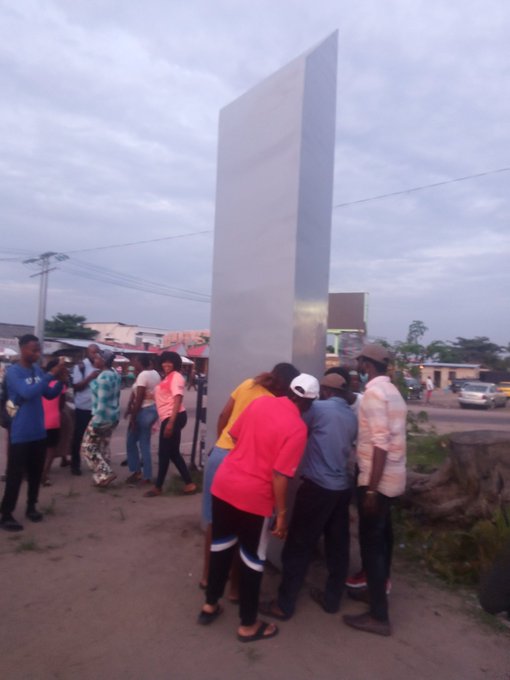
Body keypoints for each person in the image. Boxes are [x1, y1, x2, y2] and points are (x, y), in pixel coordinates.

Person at [198, 373, 319, 643]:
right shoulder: (297, 428)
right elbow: (280, 475)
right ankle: (248, 625)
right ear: (309, 403)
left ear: (290, 391)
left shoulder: (260, 403)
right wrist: (282, 516)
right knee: (252, 560)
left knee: (220, 547)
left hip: (225, 484)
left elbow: (233, 435)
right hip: (255, 498)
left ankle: (209, 605)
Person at [260, 372, 358, 621]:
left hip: (317, 488)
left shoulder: (319, 410)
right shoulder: (351, 415)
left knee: (298, 546)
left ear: (324, 391)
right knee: (338, 546)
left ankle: (284, 605)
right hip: (341, 489)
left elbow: (291, 424)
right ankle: (332, 600)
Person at [200, 363, 300, 592]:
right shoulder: (273, 402)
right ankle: (235, 588)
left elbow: (223, 415)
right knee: (242, 529)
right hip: (243, 465)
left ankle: (207, 578)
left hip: (219, 455)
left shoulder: (248, 384)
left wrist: (221, 443)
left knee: (215, 523)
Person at [343, 343, 407, 637]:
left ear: (367, 365)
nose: (357, 367)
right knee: (384, 539)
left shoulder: (373, 394)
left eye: (360, 363)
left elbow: (380, 443)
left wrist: (371, 490)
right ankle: (375, 593)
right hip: (393, 479)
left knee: (371, 545)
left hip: (376, 481)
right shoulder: (393, 392)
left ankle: (378, 616)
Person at [0, 334, 67, 532]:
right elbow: (27, 393)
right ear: (22, 349)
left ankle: (31, 506)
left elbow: (48, 394)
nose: (38, 354)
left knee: (35, 474)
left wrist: (60, 381)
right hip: (20, 431)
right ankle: (6, 514)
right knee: (15, 475)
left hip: (39, 431)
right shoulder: (13, 372)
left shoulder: (37, 370)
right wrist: (50, 374)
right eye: (34, 350)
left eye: (39, 350)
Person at [144, 351, 196, 497]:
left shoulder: (176, 376)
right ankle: (189, 483)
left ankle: (158, 487)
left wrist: (171, 423)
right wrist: (147, 394)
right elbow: (163, 397)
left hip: (174, 416)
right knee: (172, 453)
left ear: (175, 363)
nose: (166, 364)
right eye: (164, 361)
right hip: (170, 417)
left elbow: (178, 399)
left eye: (170, 362)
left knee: (164, 453)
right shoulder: (167, 378)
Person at [80, 349, 121, 487]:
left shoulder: (103, 378)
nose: (95, 360)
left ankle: (105, 473)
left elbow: (102, 402)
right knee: (103, 445)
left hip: (102, 417)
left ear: (103, 361)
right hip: (113, 416)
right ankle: (102, 477)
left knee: (87, 447)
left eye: (97, 358)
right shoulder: (115, 374)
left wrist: (97, 422)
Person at [124, 354, 160, 488]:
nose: (134, 363)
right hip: (152, 409)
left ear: (140, 362)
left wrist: (133, 417)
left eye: (135, 361)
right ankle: (146, 475)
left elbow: (139, 398)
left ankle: (138, 472)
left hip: (143, 411)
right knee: (144, 443)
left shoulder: (143, 375)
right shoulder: (154, 373)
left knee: (131, 442)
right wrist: (129, 407)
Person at [70, 344, 100, 475]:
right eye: (92, 352)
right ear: (88, 353)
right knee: (78, 437)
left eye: (97, 353)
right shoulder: (81, 366)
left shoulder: (100, 366)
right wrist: (90, 377)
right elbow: (76, 386)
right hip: (83, 407)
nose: (95, 355)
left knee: (95, 438)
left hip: (97, 408)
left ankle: (94, 463)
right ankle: (75, 465)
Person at [41, 358, 69, 486]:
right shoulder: (60, 384)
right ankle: (44, 474)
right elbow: (61, 404)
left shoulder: (41, 382)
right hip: (53, 419)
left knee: (40, 448)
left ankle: (36, 472)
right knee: (51, 449)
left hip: (39, 419)